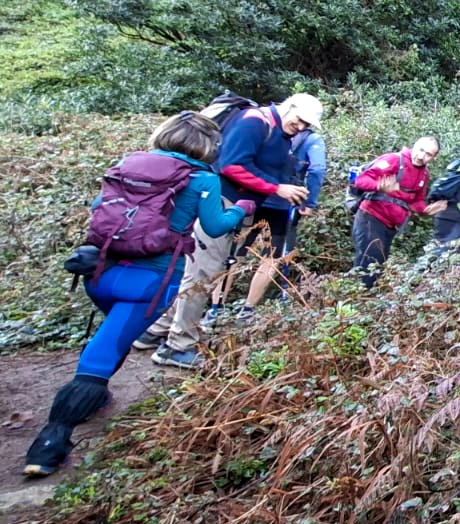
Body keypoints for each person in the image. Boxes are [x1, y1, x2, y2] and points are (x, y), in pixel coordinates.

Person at [25, 113, 251, 476]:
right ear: (209, 147)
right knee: (100, 356)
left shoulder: (128, 165)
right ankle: (49, 444)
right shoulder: (203, 179)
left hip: (101, 273)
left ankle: (97, 397)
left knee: (113, 338)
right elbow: (214, 226)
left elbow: (99, 209)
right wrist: (240, 209)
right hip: (150, 283)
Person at [134, 93, 323, 369]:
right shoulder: (254, 122)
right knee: (203, 273)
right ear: (289, 106)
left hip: (233, 206)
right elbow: (231, 165)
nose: (302, 127)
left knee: (201, 271)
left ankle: (155, 331)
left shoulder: (279, 133)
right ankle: (177, 346)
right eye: (300, 120)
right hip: (219, 203)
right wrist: (276, 188)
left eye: (307, 125)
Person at [215, 127, 326, 325]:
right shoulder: (312, 139)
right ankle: (247, 310)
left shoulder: (266, 130)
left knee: (234, 254)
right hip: (282, 205)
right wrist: (309, 202)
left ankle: (215, 309)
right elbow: (317, 169)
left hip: (249, 198)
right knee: (271, 258)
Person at [351, 136, 446, 287]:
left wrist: (425, 210)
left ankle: (362, 294)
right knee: (368, 264)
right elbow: (360, 181)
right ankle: (355, 295)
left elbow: (417, 200)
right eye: (420, 150)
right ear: (414, 145)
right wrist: (379, 186)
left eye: (428, 154)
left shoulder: (424, 174)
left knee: (378, 265)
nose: (421, 156)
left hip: (391, 227)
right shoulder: (393, 160)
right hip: (370, 218)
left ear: (433, 158)